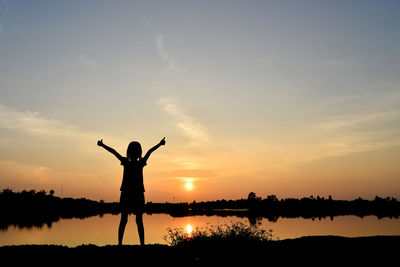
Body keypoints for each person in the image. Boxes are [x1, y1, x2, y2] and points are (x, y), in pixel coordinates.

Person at [97, 137, 166, 245]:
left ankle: (120, 244)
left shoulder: (126, 161)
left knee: (125, 220)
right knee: (137, 220)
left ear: (129, 152)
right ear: (139, 152)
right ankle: (141, 244)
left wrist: (102, 145)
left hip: (128, 193)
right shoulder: (140, 162)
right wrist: (160, 144)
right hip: (136, 193)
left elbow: (114, 152)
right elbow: (150, 151)